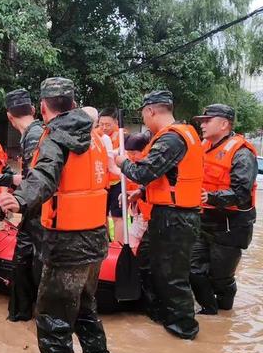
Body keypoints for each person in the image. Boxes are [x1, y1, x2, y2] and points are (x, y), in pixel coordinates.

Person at [0, 77, 115, 353]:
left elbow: (44, 177)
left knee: (52, 317)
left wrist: (18, 201)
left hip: (68, 244)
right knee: (87, 307)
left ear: (44, 108)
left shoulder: (54, 138)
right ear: (74, 104)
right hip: (96, 239)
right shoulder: (95, 137)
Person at [115, 90, 203, 340]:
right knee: (148, 261)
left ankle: (183, 330)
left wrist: (122, 162)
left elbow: (144, 171)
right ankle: (158, 314)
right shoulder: (173, 136)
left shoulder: (172, 139)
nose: (144, 118)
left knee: (173, 275)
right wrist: (141, 193)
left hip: (177, 217)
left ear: (151, 111)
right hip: (165, 213)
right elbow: (168, 176)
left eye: (144, 113)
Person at [190, 104, 257, 314]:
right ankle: (210, 312)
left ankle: (226, 315)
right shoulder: (202, 146)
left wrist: (210, 197)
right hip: (205, 219)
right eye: (202, 120)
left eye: (207, 120)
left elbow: (241, 192)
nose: (202, 124)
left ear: (224, 124)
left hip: (231, 225)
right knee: (193, 269)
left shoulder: (242, 153)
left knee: (220, 277)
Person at [5, 88, 44, 321]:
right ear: (32, 109)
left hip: (37, 211)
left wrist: (18, 202)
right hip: (44, 209)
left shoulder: (32, 135)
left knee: (24, 258)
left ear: (9, 117)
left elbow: (35, 180)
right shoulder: (40, 131)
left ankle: (20, 314)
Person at [98, 109, 124, 242]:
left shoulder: (122, 136)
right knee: (101, 217)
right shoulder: (96, 136)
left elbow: (123, 154)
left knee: (118, 216)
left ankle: (118, 246)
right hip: (102, 183)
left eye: (107, 124)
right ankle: (106, 244)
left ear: (116, 123)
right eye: (101, 124)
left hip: (117, 182)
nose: (104, 127)